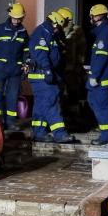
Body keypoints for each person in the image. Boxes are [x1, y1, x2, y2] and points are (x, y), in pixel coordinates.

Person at [28, 11, 77, 143]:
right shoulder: (42, 33)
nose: (58, 30)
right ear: (54, 23)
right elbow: (40, 54)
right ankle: (60, 134)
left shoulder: (49, 33)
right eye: (58, 27)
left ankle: (39, 132)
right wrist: (48, 70)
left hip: (43, 75)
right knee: (51, 102)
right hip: (42, 75)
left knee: (41, 104)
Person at [86, 4, 108, 145]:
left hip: (101, 81)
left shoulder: (103, 34)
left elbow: (100, 57)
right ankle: (105, 132)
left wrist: (94, 76)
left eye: (92, 17)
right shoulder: (103, 33)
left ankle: (106, 136)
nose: (90, 19)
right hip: (100, 80)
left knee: (101, 107)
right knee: (93, 102)